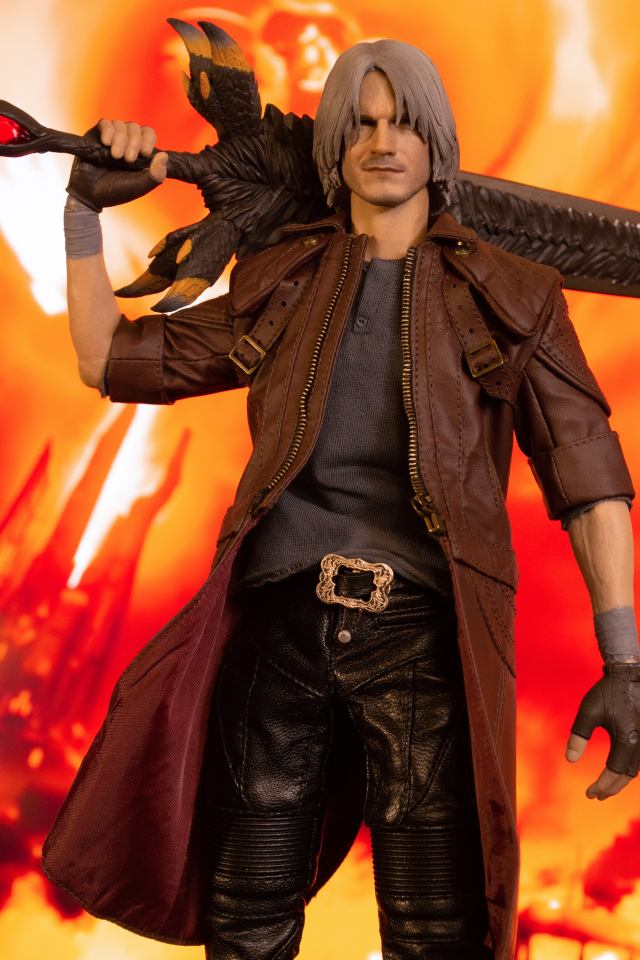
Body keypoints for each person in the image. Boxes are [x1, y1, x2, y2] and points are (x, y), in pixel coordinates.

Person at [43, 38, 639, 960]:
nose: (383, 142)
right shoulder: (284, 279)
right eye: (361, 125)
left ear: (436, 141)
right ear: (335, 147)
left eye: (403, 122)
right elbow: (109, 360)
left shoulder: (512, 295)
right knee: (244, 920)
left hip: (423, 640)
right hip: (280, 630)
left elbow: (587, 472)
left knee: (437, 931)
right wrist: (82, 210)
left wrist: (624, 659)